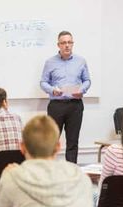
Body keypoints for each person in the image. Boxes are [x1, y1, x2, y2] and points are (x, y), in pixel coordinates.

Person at [40, 30, 91, 163]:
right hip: (56, 106)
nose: (67, 45)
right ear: (58, 45)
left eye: (69, 42)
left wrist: (82, 90)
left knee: (73, 141)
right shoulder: (50, 62)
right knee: (51, 140)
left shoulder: (81, 61)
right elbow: (43, 82)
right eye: (63, 43)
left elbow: (87, 80)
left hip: (75, 105)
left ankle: (71, 172)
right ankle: (49, 170)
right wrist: (52, 90)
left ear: (73, 44)